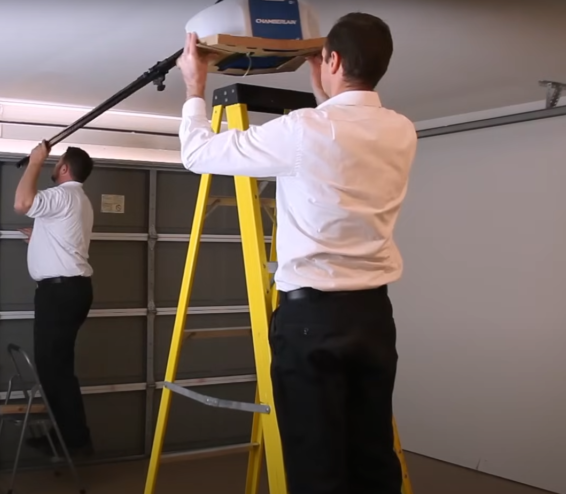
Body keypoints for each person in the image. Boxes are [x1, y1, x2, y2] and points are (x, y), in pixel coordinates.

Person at [175, 13, 417, 494]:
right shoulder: (401, 130)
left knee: (316, 463)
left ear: (333, 59)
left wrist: (195, 87)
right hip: (373, 316)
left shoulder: (304, 129)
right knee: (371, 457)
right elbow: (344, 127)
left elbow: (198, 154)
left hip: (314, 323)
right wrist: (326, 84)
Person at [13, 141, 96, 457]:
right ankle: (68, 435)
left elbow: (22, 202)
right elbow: (66, 238)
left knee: (53, 368)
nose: (51, 166)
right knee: (56, 365)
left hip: (60, 293)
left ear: (64, 168)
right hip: (68, 290)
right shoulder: (78, 200)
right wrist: (39, 238)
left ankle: (73, 440)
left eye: (54, 162)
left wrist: (35, 161)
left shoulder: (62, 195)